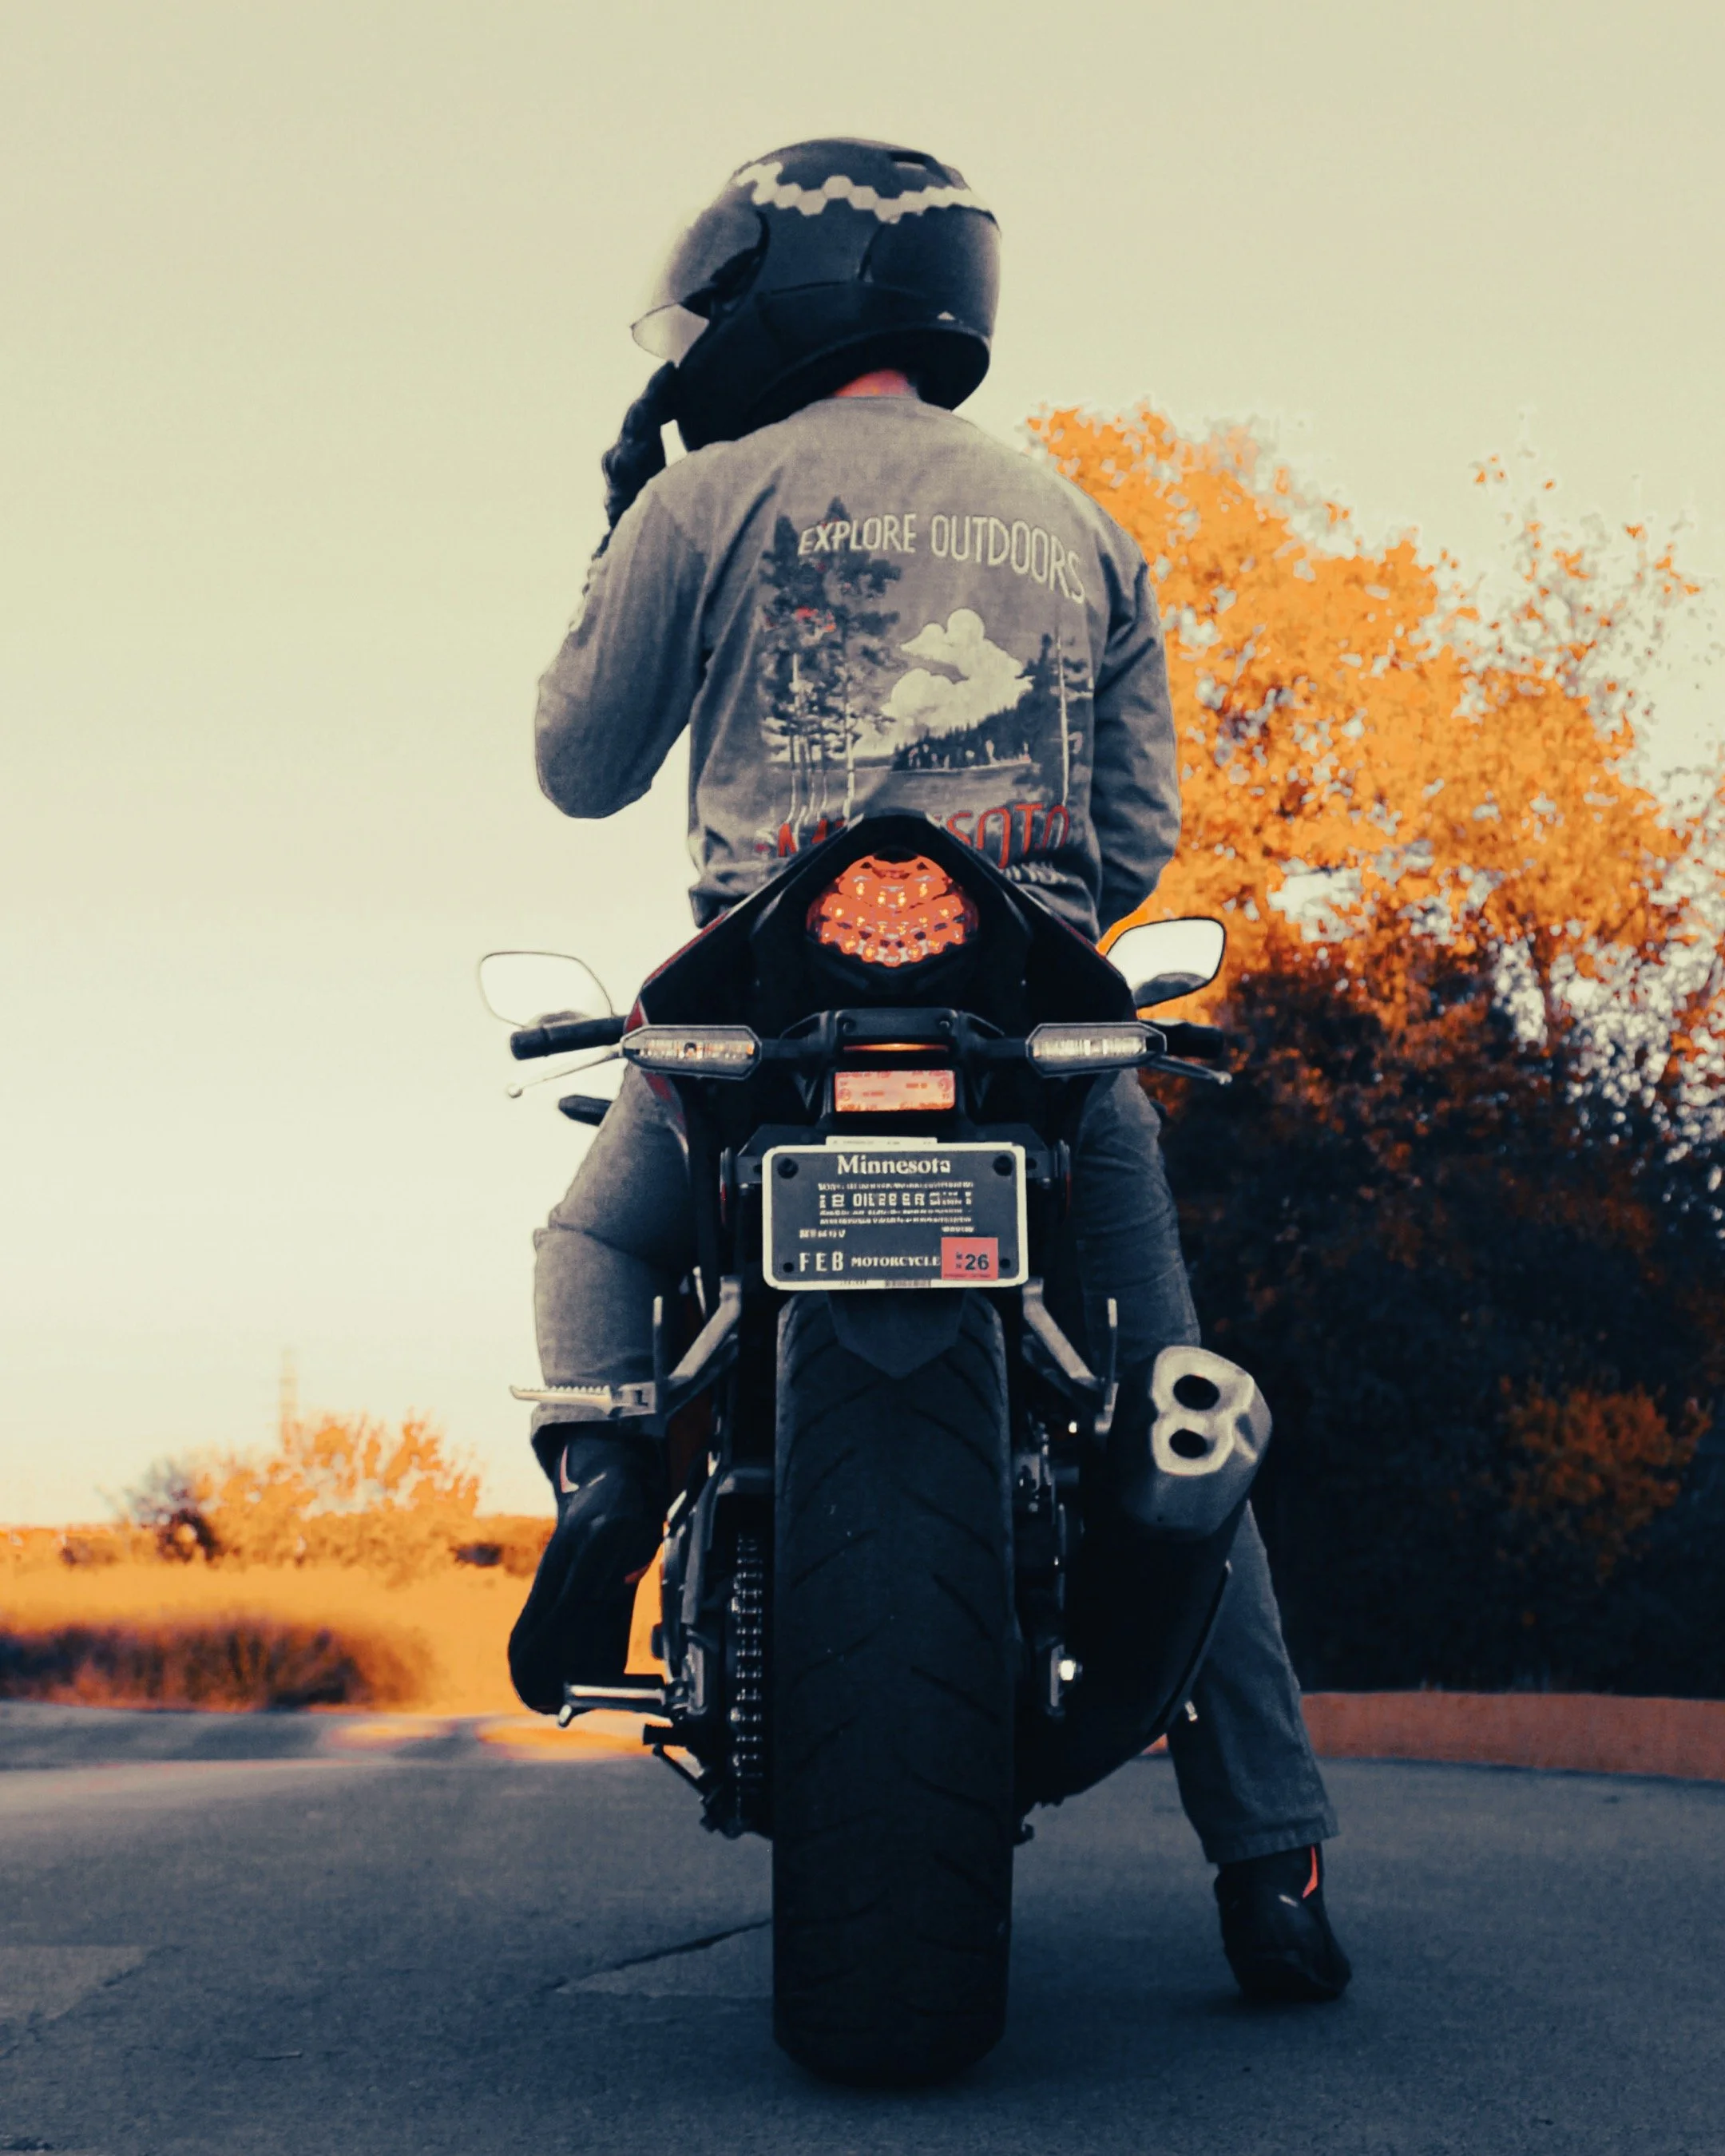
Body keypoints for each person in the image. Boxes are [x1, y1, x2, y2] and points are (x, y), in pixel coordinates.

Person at [510, 138, 1350, 2005]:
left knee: (593, 1247)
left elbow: (580, 761)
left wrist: (620, 519)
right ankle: (1270, 1868)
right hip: (1023, 1035)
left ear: (760, 300)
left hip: (762, 1018)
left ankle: (610, 1457)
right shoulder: (1081, 521)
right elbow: (1133, 841)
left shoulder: (708, 495)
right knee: (1169, 1404)